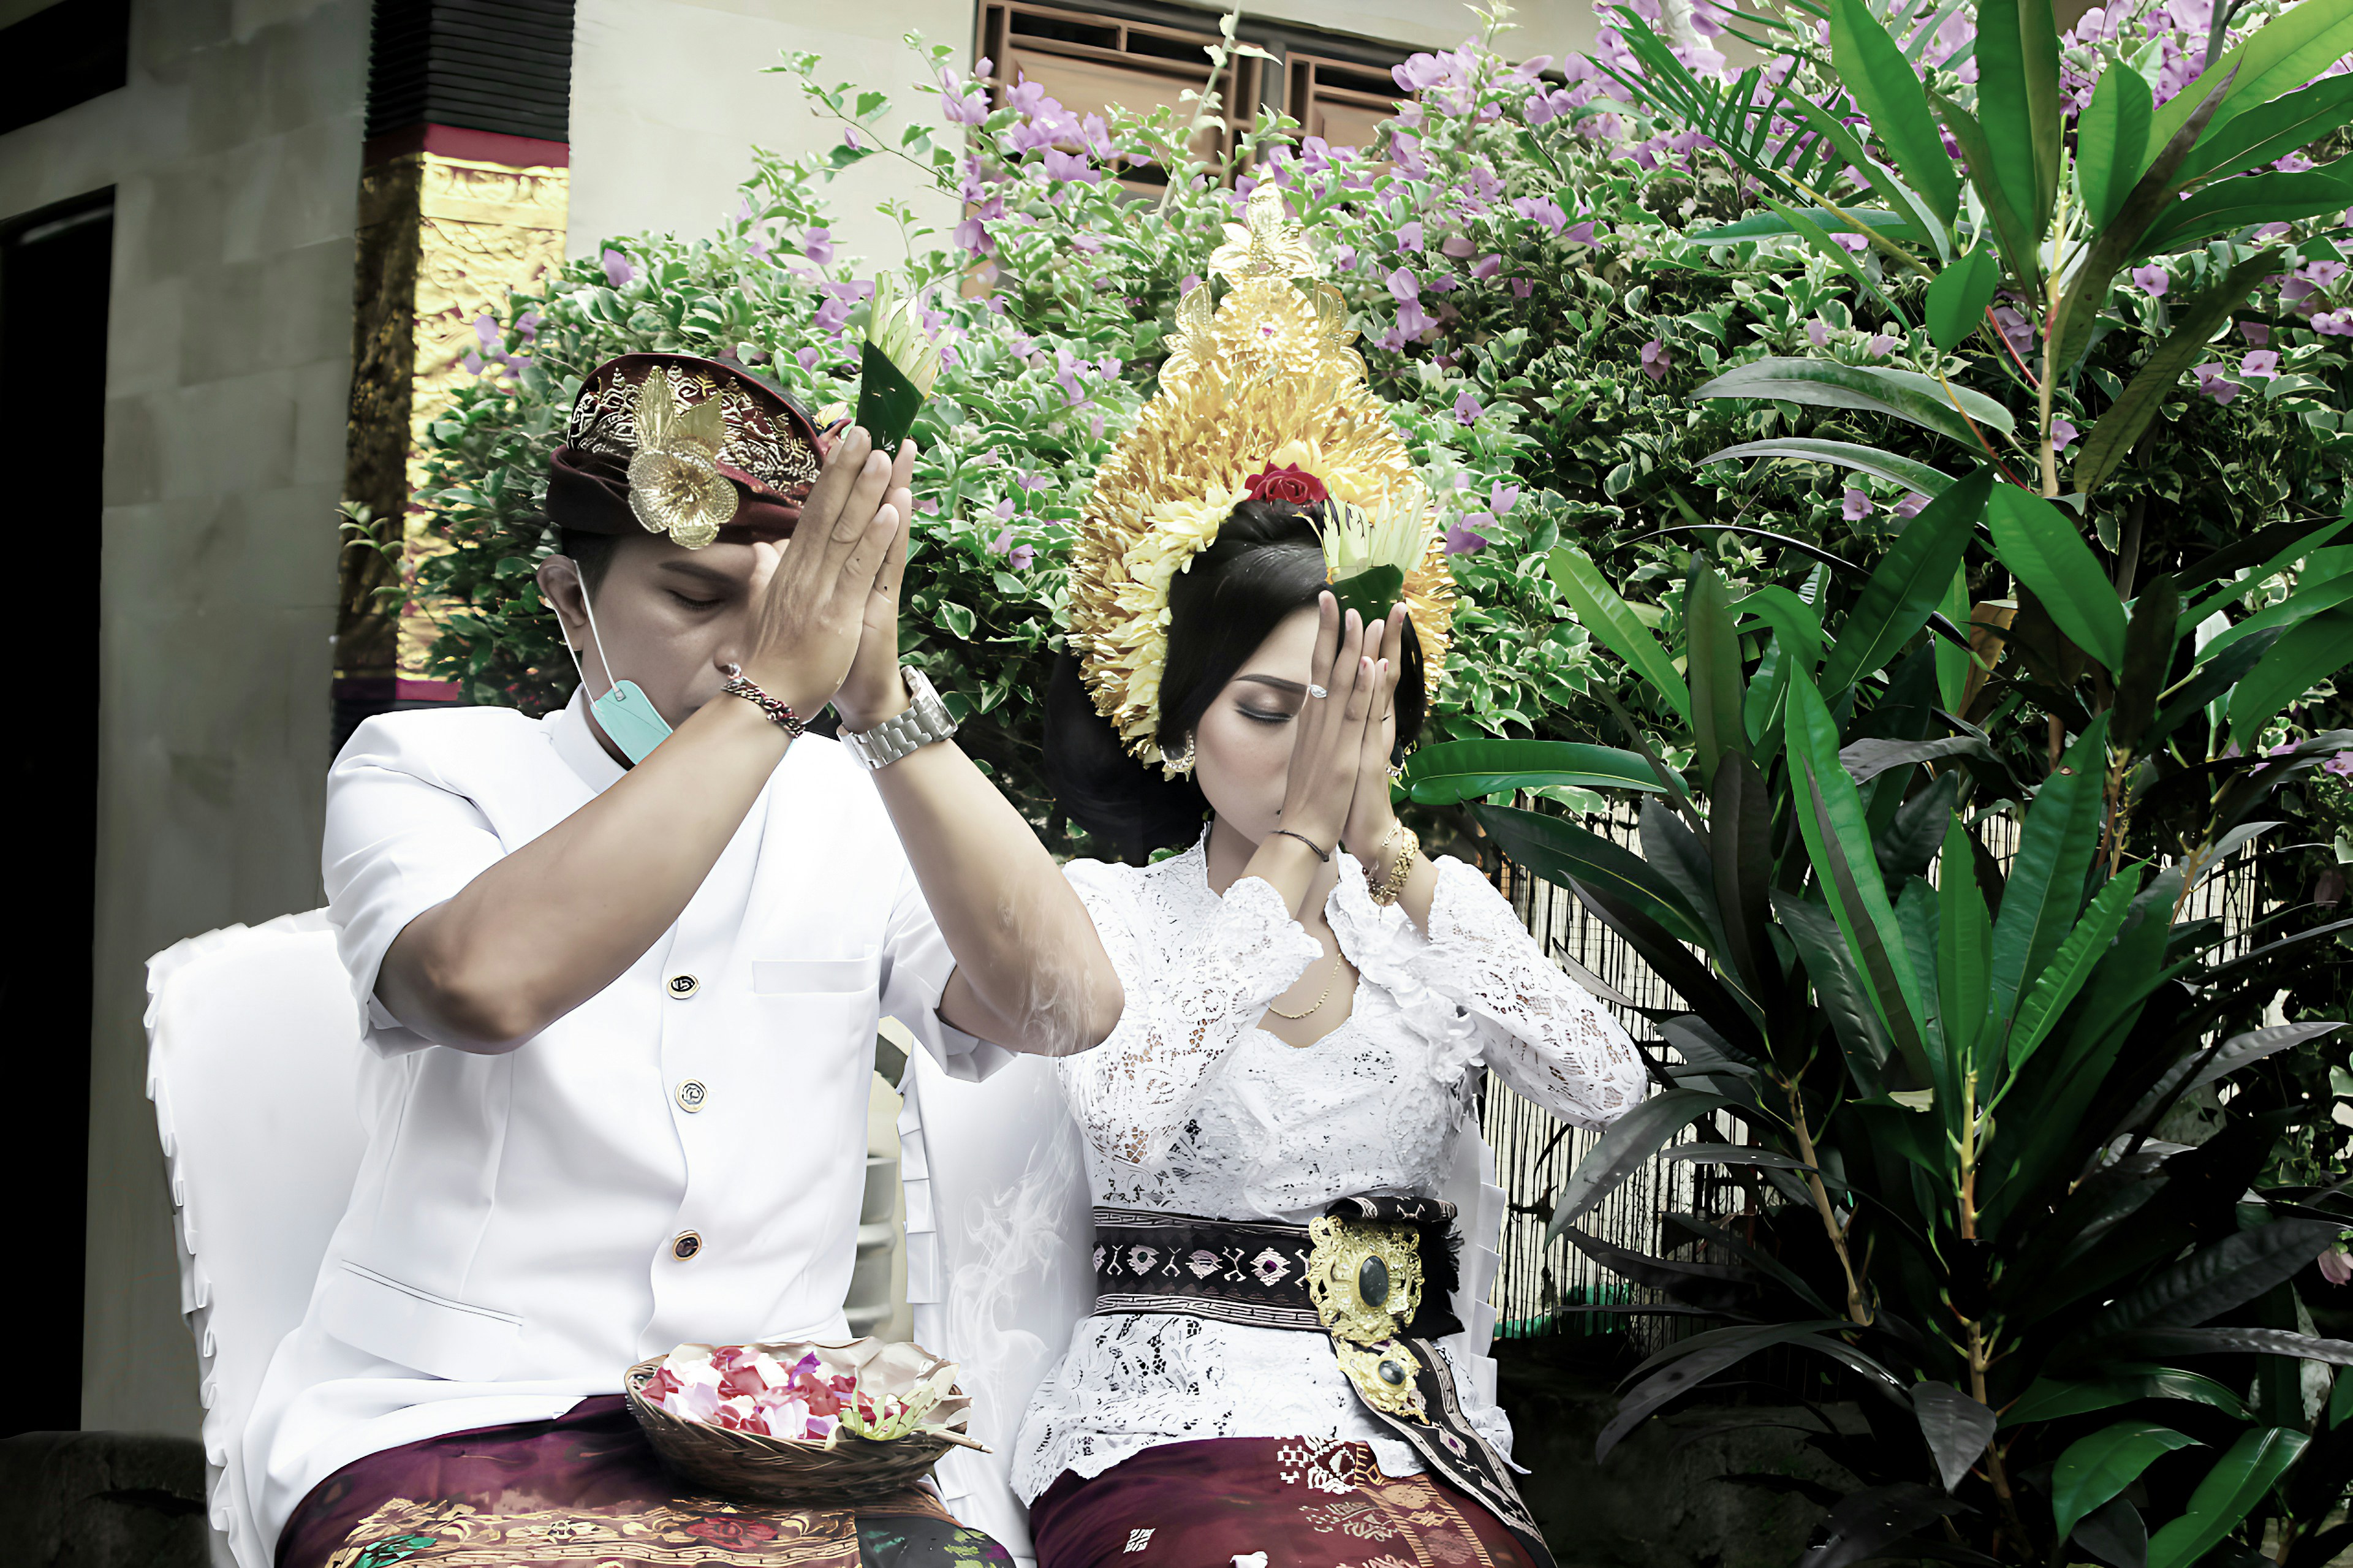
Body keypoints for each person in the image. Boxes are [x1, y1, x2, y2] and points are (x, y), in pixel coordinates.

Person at [246, 352, 1122, 1568]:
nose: (749, 647)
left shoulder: (857, 800)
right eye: (699, 597)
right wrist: (769, 694)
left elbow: (1068, 1005)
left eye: (787, 610)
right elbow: (482, 984)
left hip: (784, 1427)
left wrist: (881, 706)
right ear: (569, 599)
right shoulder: (426, 768)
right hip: (450, 1410)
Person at [1006, 191, 1648, 1568]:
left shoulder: (1432, 920)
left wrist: (1393, 860)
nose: (1309, 745)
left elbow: (1610, 1087)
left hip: (1411, 1441)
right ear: (1176, 724)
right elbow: (1121, 1119)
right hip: (1171, 1441)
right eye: (1263, 706)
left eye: (1348, 707)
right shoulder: (1112, 911)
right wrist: (1294, 852)